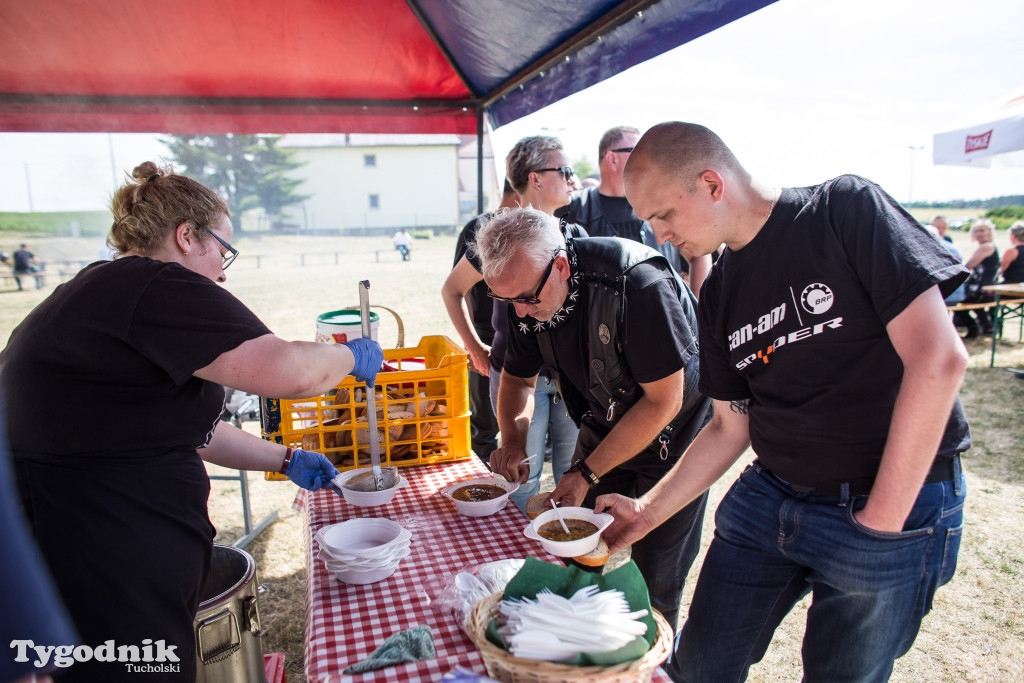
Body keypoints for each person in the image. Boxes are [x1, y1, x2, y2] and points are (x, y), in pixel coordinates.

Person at [599, 121, 970, 682]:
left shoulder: (843, 209)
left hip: (886, 500)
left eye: (663, 215)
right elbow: (729, 427)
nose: (658, 235)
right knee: (697, 668)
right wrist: (644, 513)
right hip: (771, 494)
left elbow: (938, 359)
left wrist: (880, 524)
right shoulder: (719, 290)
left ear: (711, 183)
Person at [0, 161, 384, 683]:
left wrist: (285, 457)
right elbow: (288, 372)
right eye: (223, 251)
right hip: (101, 544)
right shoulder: (155, 283)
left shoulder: (107, 291)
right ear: (186, 236)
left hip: (90, 530)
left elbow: (183, 429)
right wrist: (350, 356)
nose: (224, 271)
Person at [479, 206, 711, 632]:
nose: (522, 315)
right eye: (507, 301)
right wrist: (512, 438)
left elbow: (663, 403)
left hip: (677, 433)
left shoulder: (637, 283)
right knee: (572, 547)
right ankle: (574, 649)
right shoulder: (526, 294)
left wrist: (586, 471)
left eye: (527, 299)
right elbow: (517, 380)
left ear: (561, 266)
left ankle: (647, 665)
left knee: (654, 574)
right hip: (605, 419)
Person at [560, 125, 713, 296]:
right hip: (603, 320)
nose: (649, 158)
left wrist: (696, 306)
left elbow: (698, 253)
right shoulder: (575, 207)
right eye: (637, 151)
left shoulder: (663, 203)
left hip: (664, 316)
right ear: (613, 159)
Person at [442, 181, 520, 463]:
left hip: (523, 350)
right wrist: (474, 348)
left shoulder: (535, 229)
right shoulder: (479, 227)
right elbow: (457, 291)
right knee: (484, 429)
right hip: (487, 345)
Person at [953, 218, 1000, 338]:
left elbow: (968, 266)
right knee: (970, 303)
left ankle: (974, 327)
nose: (979, 234)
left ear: (989, 232)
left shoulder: (986, 247)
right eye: (976, 231)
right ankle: (987, 326)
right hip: (986, 288)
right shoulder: (989, 246)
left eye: (982, 230)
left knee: (956, 302)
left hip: (982, 290)